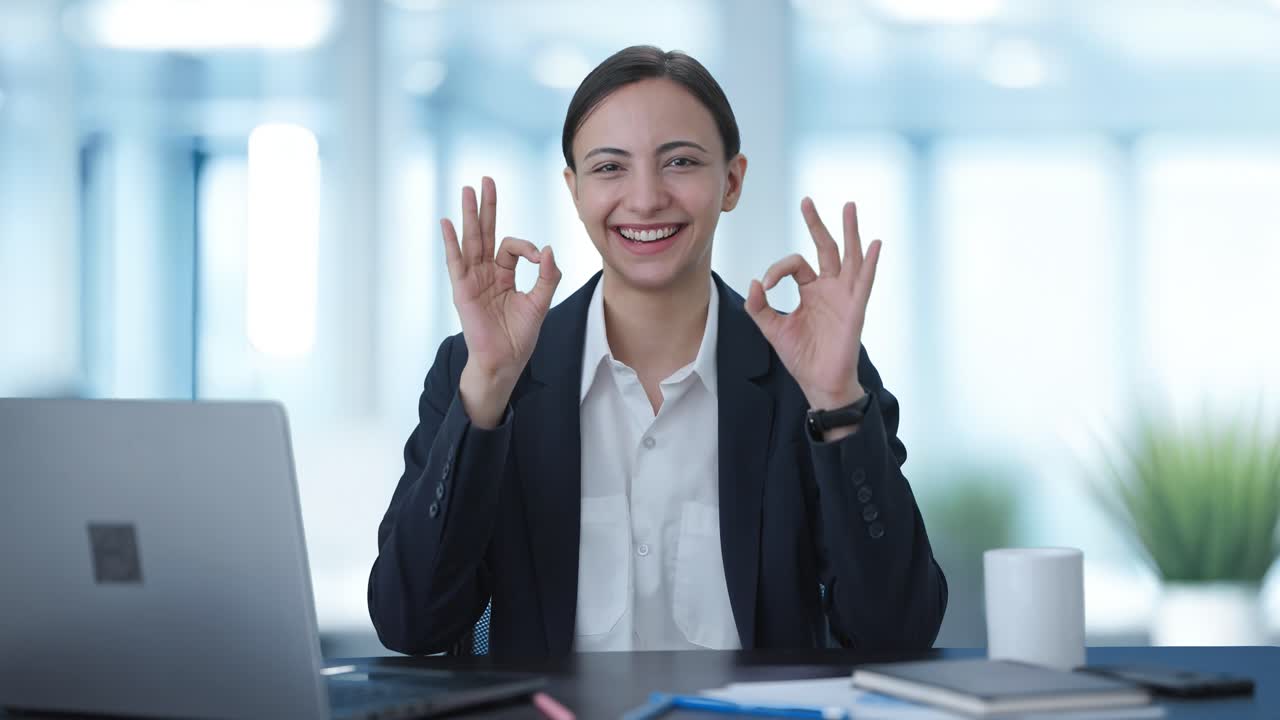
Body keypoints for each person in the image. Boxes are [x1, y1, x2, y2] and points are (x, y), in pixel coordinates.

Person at [368, 45, 947, 657]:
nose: (645, 199)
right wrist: (487, 387)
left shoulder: (811, 374)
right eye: (609, 168)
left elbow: (897, 630)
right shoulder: (480, 372)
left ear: (731, 182)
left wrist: (835, 403)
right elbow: (411, 624)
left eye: (680, 162)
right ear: (574, 189)